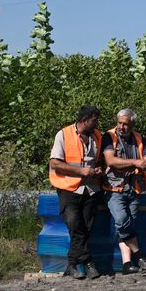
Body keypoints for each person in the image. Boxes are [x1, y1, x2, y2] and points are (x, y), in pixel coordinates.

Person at [48, 105, 105, 280]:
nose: (96, 124)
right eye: (94, 120)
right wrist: (81, 172)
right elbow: (55, 163)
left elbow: (99, 160)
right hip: (68, 188)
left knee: (85, 228)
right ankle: (88, 263)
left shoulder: (97, 136)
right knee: (75, 224)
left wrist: (99, 170)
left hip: (91, 189)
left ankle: (72, 265)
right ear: (84, 120)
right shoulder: (63, 134)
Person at [103, 108, 146, 275]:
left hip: (134, 188)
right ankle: (140, 256)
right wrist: (136, 162)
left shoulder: (140, 138)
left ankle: (127, 264)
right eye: (119, 123)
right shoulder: (108, 137)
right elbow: (111, 161)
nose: (121, 126)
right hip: (114, 188)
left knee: (127, 227)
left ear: (132, 124)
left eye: (125, 124)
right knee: (122, 221)